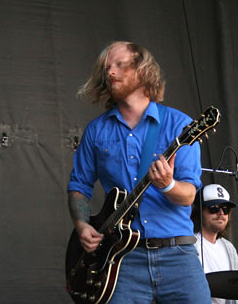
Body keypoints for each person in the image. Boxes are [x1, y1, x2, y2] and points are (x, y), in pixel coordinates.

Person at [67, 41, 211, 303]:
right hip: (121, 262)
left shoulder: (180, 125)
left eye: (120, 65)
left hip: (177, 255)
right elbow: (79, 186)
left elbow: (189, 194)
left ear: (144, 70)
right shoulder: (97, 130)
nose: (110, 72)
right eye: (107, 67)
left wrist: (167, 184)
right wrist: (82, 225)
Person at [192, 184, 238, 304]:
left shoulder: (229, 248)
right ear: (200, 211)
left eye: (225, 209)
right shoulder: (188, 245)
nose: (221, 213)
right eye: (214, 208)